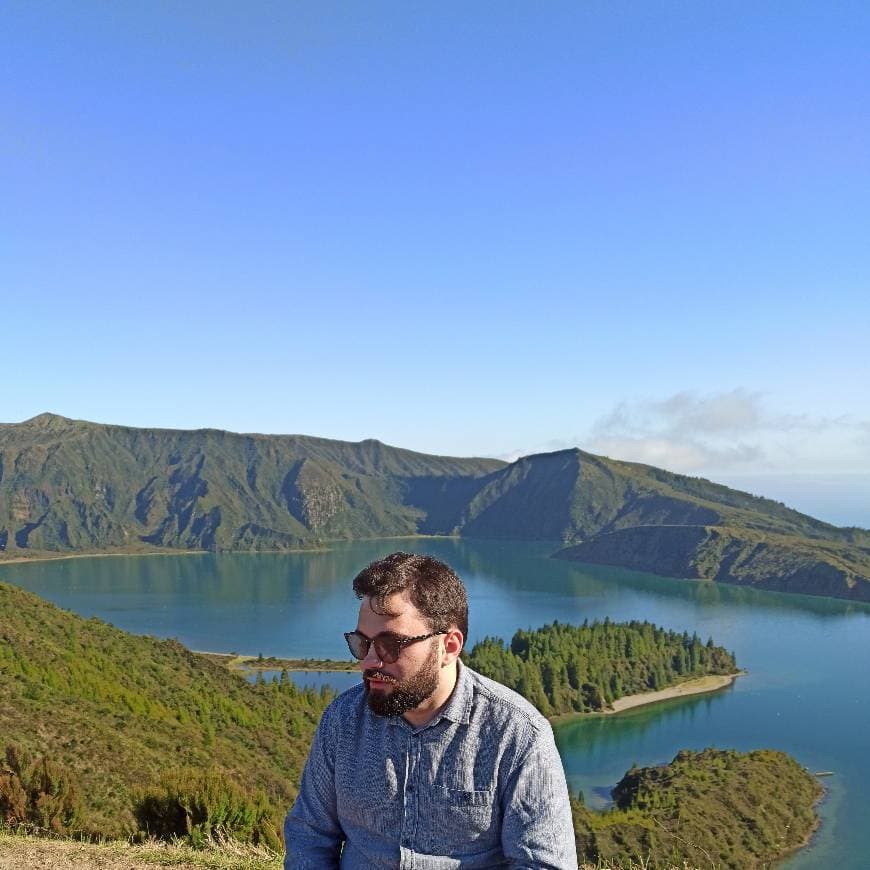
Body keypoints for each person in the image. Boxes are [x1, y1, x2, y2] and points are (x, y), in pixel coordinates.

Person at [284, 551, 577, 869]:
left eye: (390, 645)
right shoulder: (343, 720)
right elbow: (309, 835)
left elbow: (543, 864)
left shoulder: (516, 733)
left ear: (449, 646)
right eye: (362, 643)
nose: (369, 661)